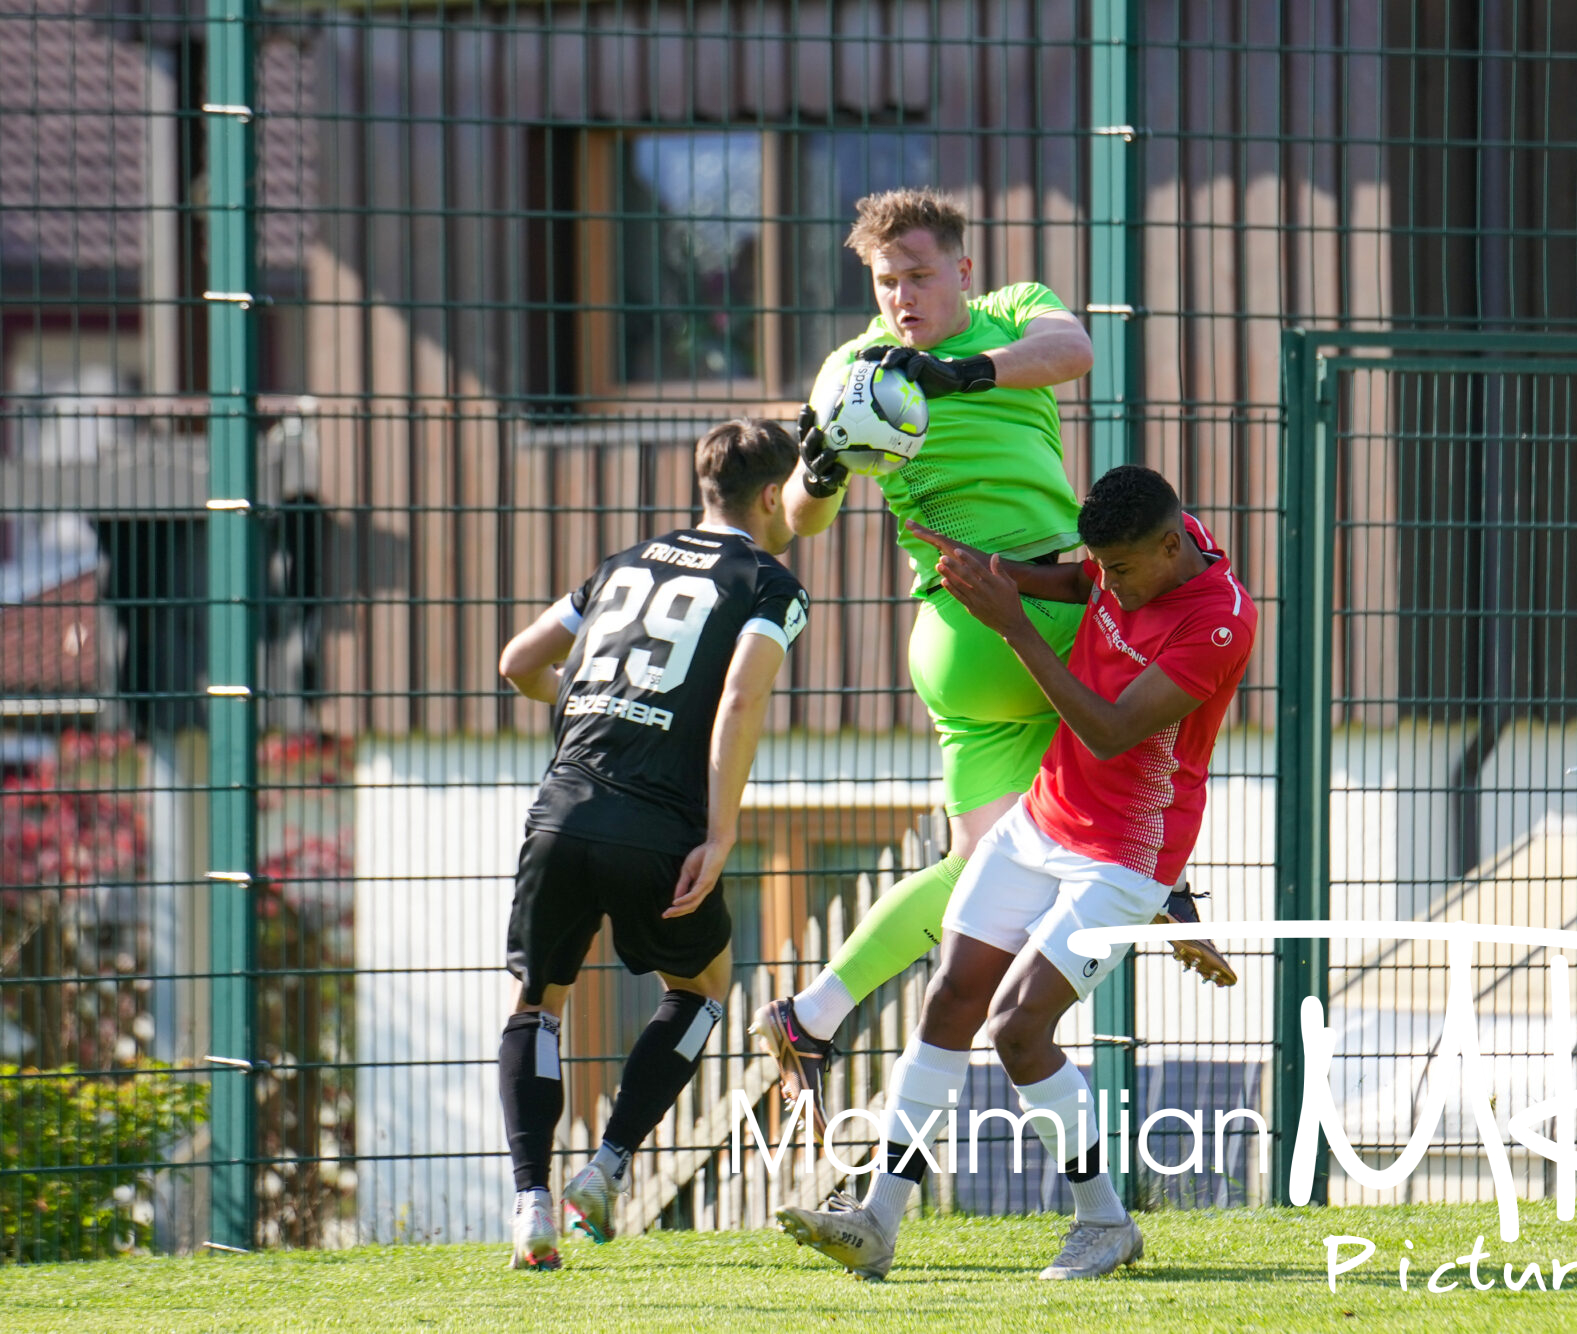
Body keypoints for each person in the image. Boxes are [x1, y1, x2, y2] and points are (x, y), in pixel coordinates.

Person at [776, 465, 1255, 1281]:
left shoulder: (1220, 623)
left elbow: (1108, 732)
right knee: (951, 997)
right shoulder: (1156, 546)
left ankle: (1104, 1222)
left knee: (1018, 1027)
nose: (1114, 586)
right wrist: (1001, 574)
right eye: (1106, 566)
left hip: (1126, 854)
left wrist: (1012, 623)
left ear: (1172, 547)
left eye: (1128, 570)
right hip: (1041, 817)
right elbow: (1082, 579)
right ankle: (878, 1220)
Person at [747, 186, 1103, 1128]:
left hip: (999, 627)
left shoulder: (1015, 314)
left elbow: (1073, 351)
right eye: (884, 281)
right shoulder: (857, 367)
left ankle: (813, 1012)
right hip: (1017, 618)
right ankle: (1165, 883)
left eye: (917, 275)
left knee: (982, 870)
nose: (902, 297)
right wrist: (817, 467)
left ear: (962, 271)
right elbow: (797, 519)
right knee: (1135, 749)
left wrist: (963, 374)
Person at [494, 419, 810, 1271]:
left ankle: (531, 1204)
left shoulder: (624, 564)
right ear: (774, 496)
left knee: (536, 1004)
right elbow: (740, 702)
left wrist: (580, 704)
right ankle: (606, 1168)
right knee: (703, 987)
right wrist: (720, 831)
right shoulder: (769, 584)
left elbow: (518, 660)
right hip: (658, 829)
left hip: (561, 812)